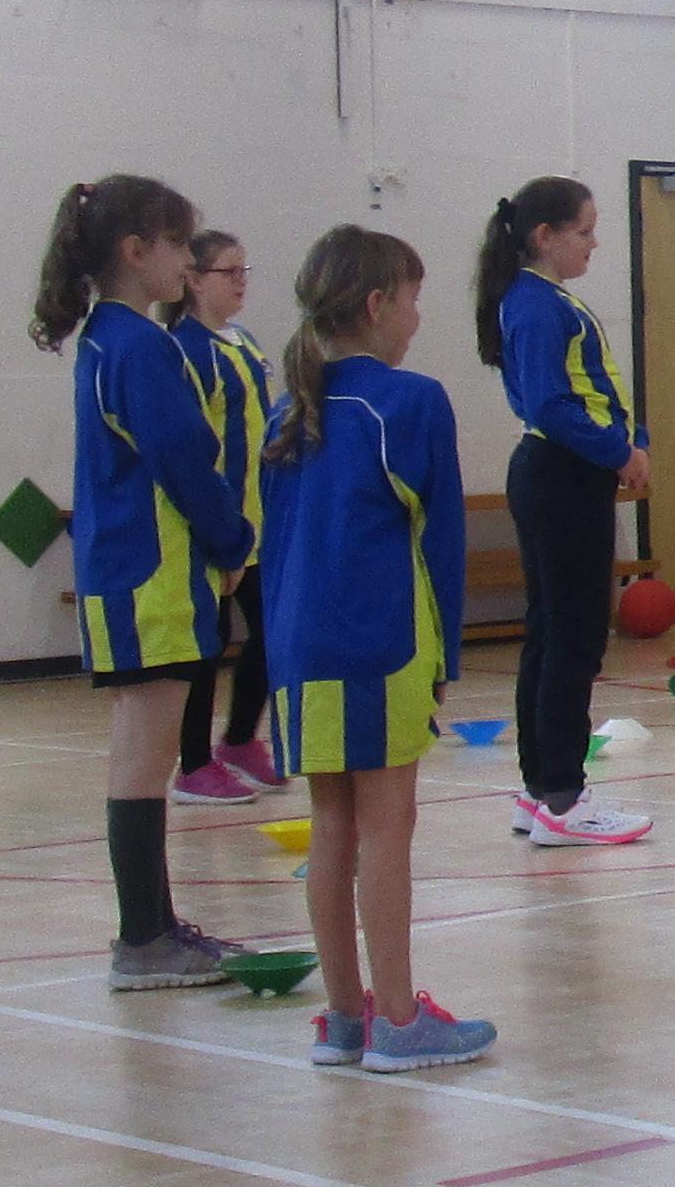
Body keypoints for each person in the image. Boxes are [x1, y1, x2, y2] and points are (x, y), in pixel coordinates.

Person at [259, 225, 493, 1072]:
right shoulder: (410, 401)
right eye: (414, 299)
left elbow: (274, 546)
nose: (419, 318)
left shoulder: (287, 408)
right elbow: (442, 542)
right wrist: (446, 658)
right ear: (376, 304)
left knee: (332, 823)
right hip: (379, 639)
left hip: (296, 649)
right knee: (388, 825)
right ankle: (398, 1019)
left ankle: (344, 1018)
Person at [27, 173, 256, 990]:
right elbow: (184, 459)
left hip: (122, 571)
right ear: (134, 251)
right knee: (144, 759)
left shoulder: (106, 338)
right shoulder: (139, 346)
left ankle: (153, 928)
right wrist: (233, 539)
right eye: (177, 244)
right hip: (153, 576)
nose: (188, 261)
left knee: (139, 754)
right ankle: (143, 939)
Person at [481, 177, 651, 848]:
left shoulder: (546, 299)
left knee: (554, 634)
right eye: (584, 230)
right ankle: (563, 795)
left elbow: (594, 389)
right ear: (545, 236)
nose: (594, 243)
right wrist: (618, 452)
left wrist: (633, 440)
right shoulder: (533, 303)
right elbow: (551, 405)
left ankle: (540, 791)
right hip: (561, 477)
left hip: (565, 476)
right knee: (571, 639)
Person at [171, 231, 279, 800]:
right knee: (206, 645)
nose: (241, 282)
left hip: (258, 522)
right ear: (193, 279)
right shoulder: (185, 350)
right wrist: (216, 526)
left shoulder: (244, 342)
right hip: (215, 526)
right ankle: (192, 765)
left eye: (245, 270)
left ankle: (239, 739)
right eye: (228, 272)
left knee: (273, 631)